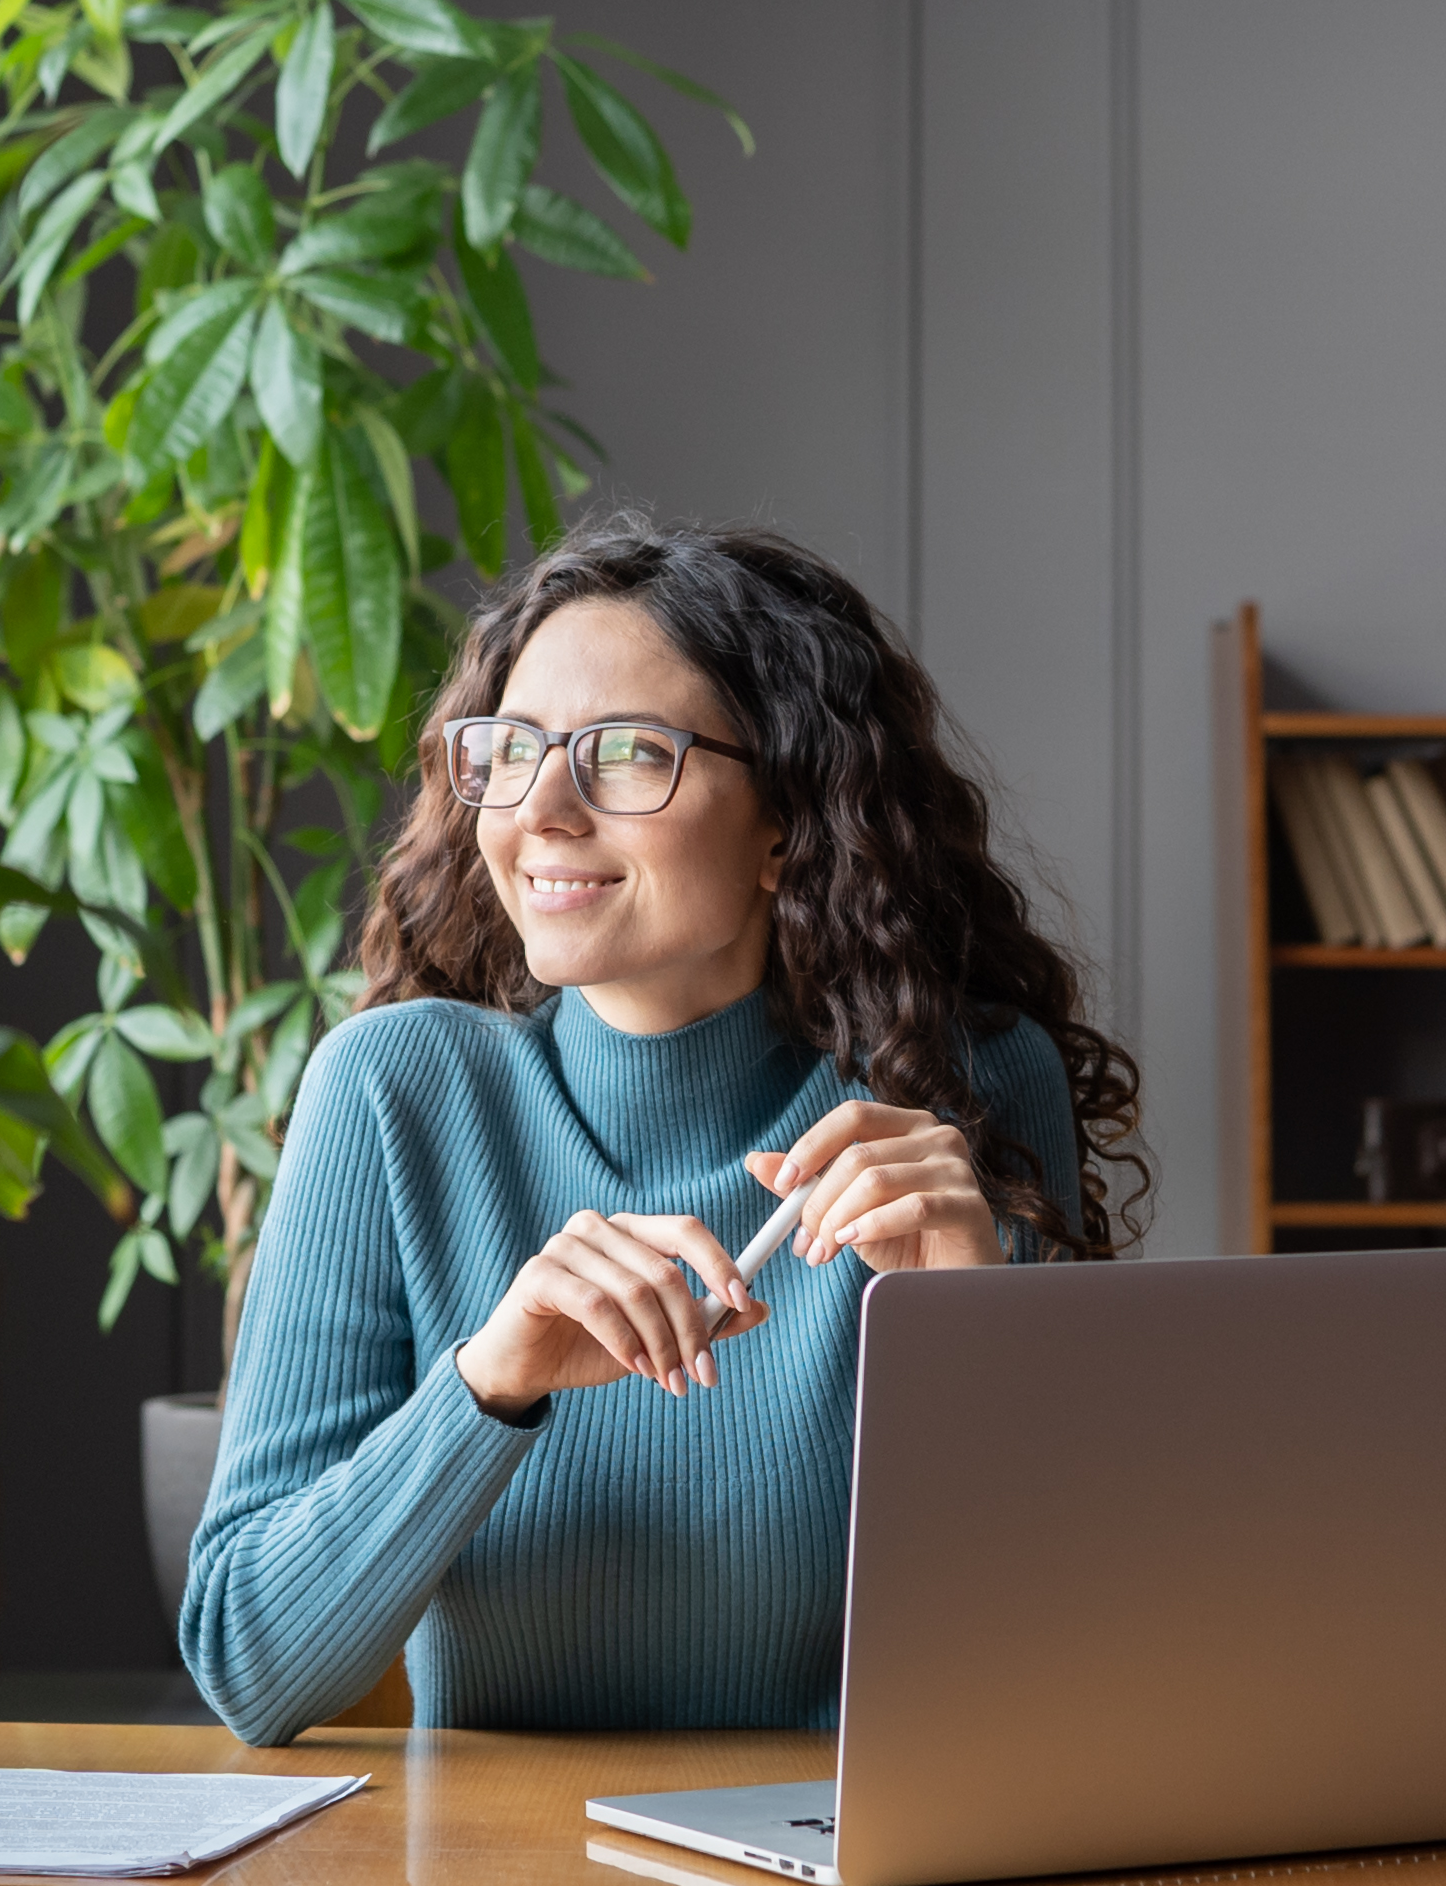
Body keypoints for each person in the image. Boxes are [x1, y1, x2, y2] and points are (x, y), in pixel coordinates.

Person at [177, 512, 1144, 1740]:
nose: (544, 810)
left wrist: (976, 1331)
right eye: (511, 749)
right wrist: (496, 1378)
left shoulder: (960, 1094)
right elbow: (252, 1668)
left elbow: (1066, 1671)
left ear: (786, 824)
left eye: (628, 754)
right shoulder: (393, 1093)